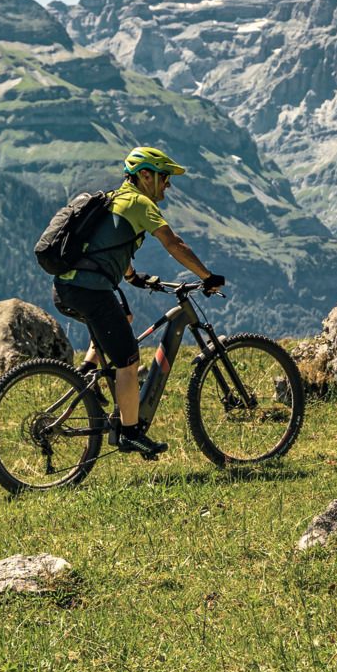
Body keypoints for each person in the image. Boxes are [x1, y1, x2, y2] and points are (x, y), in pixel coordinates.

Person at [52, 146, 225, 455]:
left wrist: (132, 276)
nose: (168, 184)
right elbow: (173, 243)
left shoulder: (115, 199)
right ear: (145, 175)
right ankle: (130, 433)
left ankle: (88, 370)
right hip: (90, 290)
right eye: (164, 177)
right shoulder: (139, 203)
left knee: (123, 318)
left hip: (68, 287)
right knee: (129, 360)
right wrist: (207, 276)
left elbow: (109, 245)